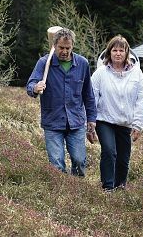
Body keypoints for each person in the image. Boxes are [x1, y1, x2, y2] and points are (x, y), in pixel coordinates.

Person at [26, 27, 97, 176]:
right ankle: (60, 194)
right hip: (52, 122)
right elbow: (30, 85)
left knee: (79, 161)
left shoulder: (82, 64)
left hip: (76, 122)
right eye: (61, 48)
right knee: (56, 163)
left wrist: (91, 119)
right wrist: (35, 87)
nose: (64, 51)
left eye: (68, 48)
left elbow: (88, 94)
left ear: (72, 46)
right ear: (54, 46)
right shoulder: (44, 63)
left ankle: (77, 191)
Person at [91, 35, 143, 192]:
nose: (118, 53)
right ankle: (107, 187)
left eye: (121, 50)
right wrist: (89, 123)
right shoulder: (100, 73)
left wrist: (138, 124)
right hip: (104, 119)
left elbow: (140, 100)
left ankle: (120, 186)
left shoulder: (137, 74)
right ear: (109, 52)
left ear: (126, 53)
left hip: (125, 122)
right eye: (114, 50)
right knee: (109, 151)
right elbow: (92, 97)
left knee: (123, 158)